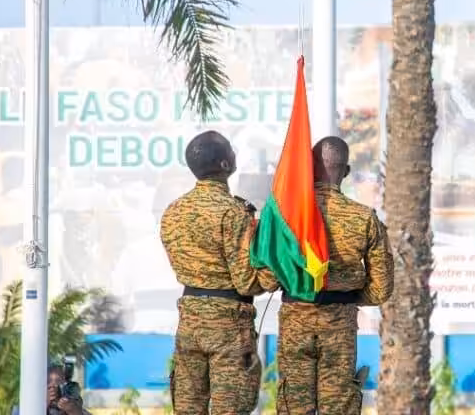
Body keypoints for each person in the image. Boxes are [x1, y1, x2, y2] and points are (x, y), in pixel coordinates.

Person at [160, 130, 278, 415]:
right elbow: (247, 282)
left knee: (188, 410)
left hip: (189, 322)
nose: (235, 154)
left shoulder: (173, 211)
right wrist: (275, 262)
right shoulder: (233, 212)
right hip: (228, 326)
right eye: (231, 150)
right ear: (225, 164)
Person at [276, 136, 393, 415]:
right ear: (347, 172)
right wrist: (347, 296)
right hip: (339, 321)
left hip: (295, 317)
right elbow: (381, 289)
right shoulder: (364, 217)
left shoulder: (285, 215)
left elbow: (268, 276)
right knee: (338, 405)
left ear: (309, 168)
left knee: (294, 405)